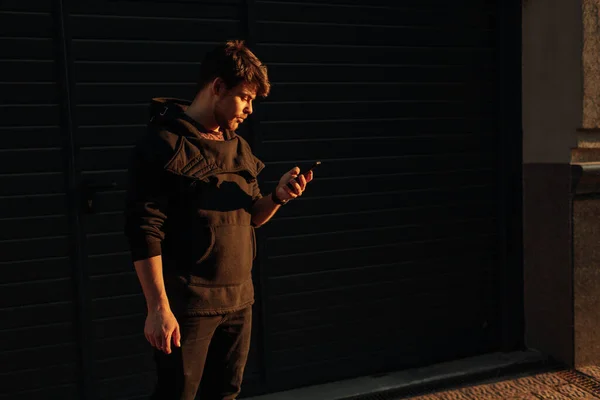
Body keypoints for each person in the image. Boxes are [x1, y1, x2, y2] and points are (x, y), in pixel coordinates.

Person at [124, 40, 313, 400]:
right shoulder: (162, 144)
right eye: (245, 97)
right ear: (217, 87)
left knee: (226, 394)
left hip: (239, 302)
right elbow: (143, 229)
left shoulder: (238, 147)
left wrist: (277, 197)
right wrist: (157, 308)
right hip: (189, 308)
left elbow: (251, 218)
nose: (250, 109)